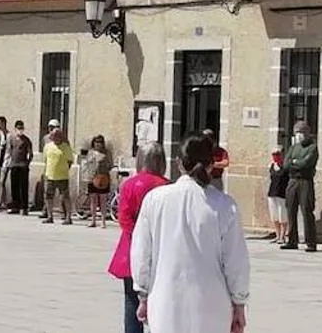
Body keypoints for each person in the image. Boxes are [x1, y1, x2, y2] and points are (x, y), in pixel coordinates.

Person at [130, 134, 249, 333]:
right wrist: (239, 302)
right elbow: (236, 261)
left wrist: (142, 293)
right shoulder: (224, 205)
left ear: (179, 163)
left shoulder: (155, 200)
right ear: (212, 165)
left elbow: (141, 252)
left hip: (165, 301)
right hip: (212, 305)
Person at [109, 142, 169, 333]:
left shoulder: (129, 185)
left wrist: (138, 236)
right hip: (161, 249)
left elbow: (124, 218)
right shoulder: (167, 185)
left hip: (131, 248)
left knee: (131, 300)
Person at [281, 120, 319, 253]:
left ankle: (310, 242)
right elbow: (286, 164)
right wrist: (295, 163)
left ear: (307, 133)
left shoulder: (312, 147)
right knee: (290, 209)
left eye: (301, 132)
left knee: (306, 210)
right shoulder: (293, 148)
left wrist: (295, 163)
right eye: (297, 132)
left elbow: (306, 163)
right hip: (292, 181)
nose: (299, 135)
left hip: (305, 181)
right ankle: (292, 240)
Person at [42, 128, 75, 225]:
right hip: (50, 176)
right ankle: (49, 216)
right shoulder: (47, 146)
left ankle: (68, 217)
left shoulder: (66, 147)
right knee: (48, 197)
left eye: (57, 135)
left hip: (62, 177)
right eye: (53, 135)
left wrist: (64, 170)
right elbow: (45, 160)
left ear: (61, 136)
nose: (55, 137)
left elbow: (70, 161)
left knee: (65, 197)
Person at [6, 120, 34, 215]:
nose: (20, 130)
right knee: (14, 186)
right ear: (15, 129)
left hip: (23, 166)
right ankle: (15, 206)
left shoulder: (26, 140)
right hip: (14, 165)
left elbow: (30, 154)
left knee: (23, 187)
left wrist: (27, 163)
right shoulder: (11, 139)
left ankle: (24, 207)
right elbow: (9, 151)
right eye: (18, 128)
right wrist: (8, 162)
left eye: (21, 128)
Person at [85, 135, 113, 228]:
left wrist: (104, 165)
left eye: (100, 142)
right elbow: (87, 164)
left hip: (103, 178)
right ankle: (93, 220)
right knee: (93, 200)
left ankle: (103, 221)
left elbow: (110, 165)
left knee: (103, 200)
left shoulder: (107, 153)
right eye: (96, 142)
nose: (98, 144)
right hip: (92, 178)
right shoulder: (91, 152)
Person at [266, 148, 288, 244]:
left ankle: (283, 236)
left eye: (277, 154)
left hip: (282, 194)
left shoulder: (285, 167)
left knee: (282, 216)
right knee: (274, 216)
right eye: (274, 154)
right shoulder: (271, 166)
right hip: (272, 193)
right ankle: (277, 235)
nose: (275, 156)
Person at [0, 116, 11, 212]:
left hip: (6, 161)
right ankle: (3, 202)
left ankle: (0, 203)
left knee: (2, 182)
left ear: (4, 123)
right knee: (0, 182)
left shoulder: (9, 136)